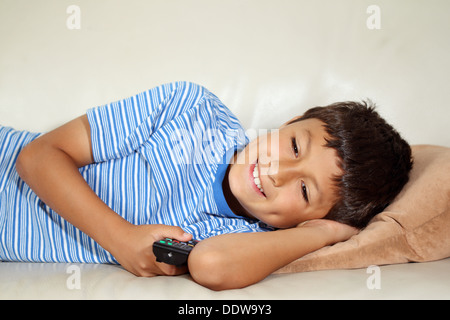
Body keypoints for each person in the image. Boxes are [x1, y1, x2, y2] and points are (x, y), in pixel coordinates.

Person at [0, 81, 412, 290]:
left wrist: (321, 235)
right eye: (292, 145)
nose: (277, 172)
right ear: (287, 123)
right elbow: (36, 157)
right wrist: (121, 240)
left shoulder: (248, 236)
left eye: (305, 192)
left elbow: (211, 266)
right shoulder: (191, 111)